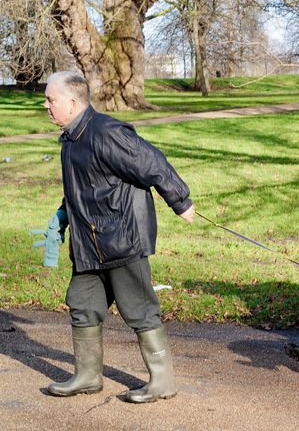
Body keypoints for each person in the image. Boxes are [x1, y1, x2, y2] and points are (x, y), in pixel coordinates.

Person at [42, 71, 195, 403]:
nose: (46, 105)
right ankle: (87, 377)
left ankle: (162, 381)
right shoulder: (70, 139)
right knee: (82, 305)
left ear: (71, 101)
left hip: (121, 238)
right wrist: (62, 217)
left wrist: (180, 201)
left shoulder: (106, 132)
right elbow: (82, 189)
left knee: (138, 309)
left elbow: (151, 162)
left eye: (50, 99)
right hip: (88, 244)